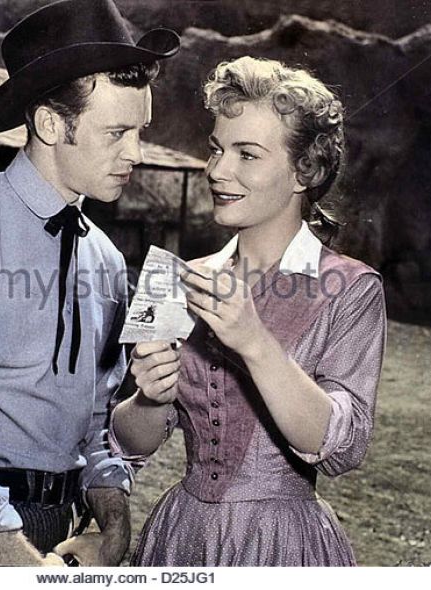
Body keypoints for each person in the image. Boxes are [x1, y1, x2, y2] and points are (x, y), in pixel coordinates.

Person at [0, 0, 179, 566]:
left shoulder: (105, 259)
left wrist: (113, 524)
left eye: (139, 131)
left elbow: (96, 424)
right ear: (50, 124)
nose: (136, 154)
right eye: (116, 132)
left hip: (59, 535)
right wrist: (24, 567)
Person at [111, 57, 387, 566]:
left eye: (247, 154)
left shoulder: (352, 288)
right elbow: (131, 445)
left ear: (306, 170)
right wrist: (150, 399)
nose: (218, 171)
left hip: (283, 544)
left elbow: (343, 449)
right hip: (183, 537)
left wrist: (256, 343)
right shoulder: (176, 277)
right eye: (217, 149)